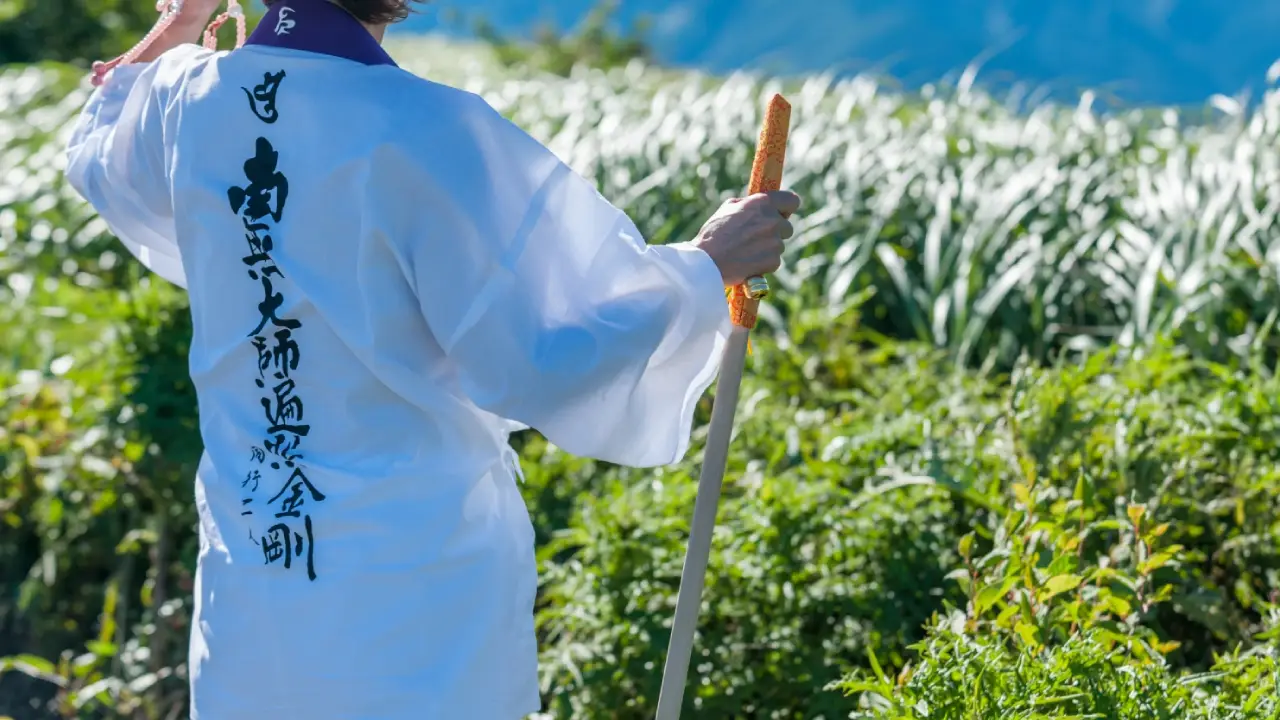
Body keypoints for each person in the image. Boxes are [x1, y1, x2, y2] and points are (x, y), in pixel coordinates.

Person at [64, 0, 801, 716]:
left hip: (252, 582)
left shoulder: (189, 100)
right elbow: (538, 359)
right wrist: (705, 266)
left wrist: (183, 21)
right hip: (414, 591)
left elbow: (102, 149)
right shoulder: (429, 129)